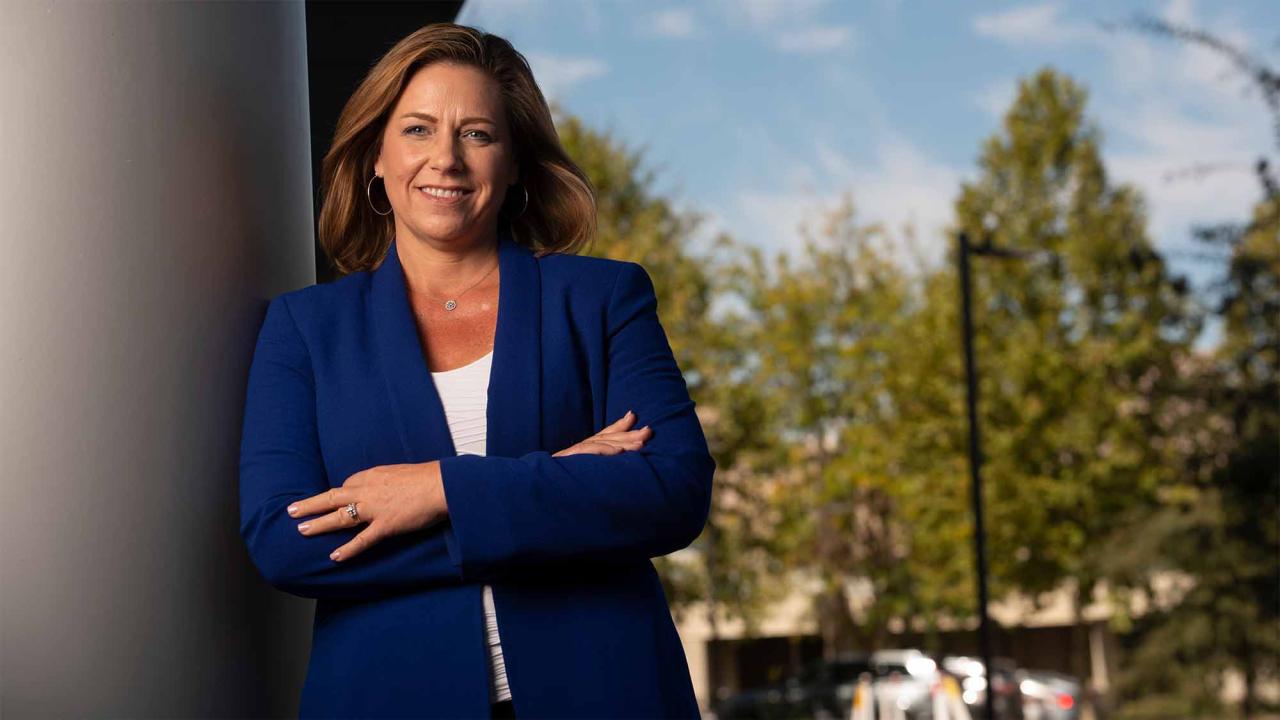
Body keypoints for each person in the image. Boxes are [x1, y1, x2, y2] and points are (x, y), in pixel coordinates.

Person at [237, 22, 715, 720]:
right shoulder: (305, 329)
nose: (447, 159)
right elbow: (285, 544)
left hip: (605, 692)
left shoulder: (601, 298)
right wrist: (553, 481)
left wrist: (437, 490)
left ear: (514, 162)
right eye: (418, 130)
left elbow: (671, 489)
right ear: (376, 156)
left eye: (478, 134)